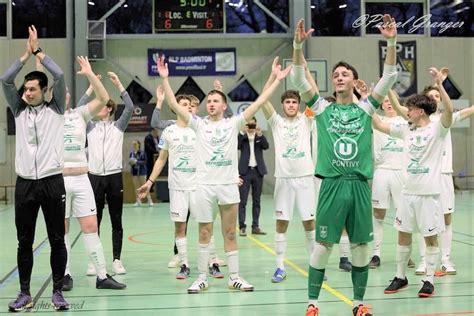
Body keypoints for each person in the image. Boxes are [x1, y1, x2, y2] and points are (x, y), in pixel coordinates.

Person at [156, 54, 291, 294]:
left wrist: (275, 79)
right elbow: (175, 105)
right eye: (209, 101)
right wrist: (165, 79)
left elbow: (260, 102)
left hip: (227, 185)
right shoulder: (199, 124)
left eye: (216, 101)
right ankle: (201, 277)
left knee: (229, 231)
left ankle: (235, 277)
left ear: (224, 105)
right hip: (204, 186)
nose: (211, 104)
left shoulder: (233, 123)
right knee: (205, 232)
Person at [291, 15, 398, 316]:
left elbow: (389, 77)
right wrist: (297, 47)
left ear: (354, 80)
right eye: (335, 74)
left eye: (344, 74)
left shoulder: (366, 108)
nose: (338, 77)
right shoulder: (322, 109)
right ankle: (313, 304)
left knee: (362, 249)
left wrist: (391, 42)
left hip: (360, 185)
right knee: (323, 247)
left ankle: (357, 304)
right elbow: (299, 80)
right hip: (332, 185)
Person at [1, 25, 70, 311]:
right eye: (25, 89)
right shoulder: (18, 110)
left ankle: (57, 291)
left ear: (44, 91)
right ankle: (25, 293)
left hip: (53, 182)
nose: (27, 92)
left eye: (32, 89)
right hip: (26, 184)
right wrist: (25, 56)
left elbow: (60, 75)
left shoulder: (56, 109)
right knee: (24, 242)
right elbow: (5, 81)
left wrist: (40, 51)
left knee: (57, 239)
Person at [373, 67, 453, 298]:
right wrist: (366, 101)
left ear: (420, 111)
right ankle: (401, 276)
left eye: (409, 109)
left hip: (429, 194)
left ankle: (428, 279)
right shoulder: (405, 129)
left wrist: (439, 84)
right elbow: (378, 125)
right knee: (403, 233)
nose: (406, 112)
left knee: (429, 237)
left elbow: (447, 109)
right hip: (407, 194)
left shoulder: (438, 129)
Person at [61, 57, 126, 291]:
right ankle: (65, 274)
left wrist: (90, 75)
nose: (64, 94)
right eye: (60, 92)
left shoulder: (82, 116)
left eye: (66, 91)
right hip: (66, 179)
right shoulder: (51, 116)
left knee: (94, 225)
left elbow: (100, 100)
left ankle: (104, 272)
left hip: (88, 178)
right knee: (64, 228)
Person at [151, 84, 227, 270]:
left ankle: (212, 258)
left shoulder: (200, 126)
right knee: (180, 225)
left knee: (206, 224)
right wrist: (150, 181)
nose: (189, 107)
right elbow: (160, 156)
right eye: (184, 104)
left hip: (199, 186)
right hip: (177, 185)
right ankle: (181, 258)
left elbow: (222, 126)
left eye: (191, 105)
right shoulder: (170, 129)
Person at [260, 57, 317, 284]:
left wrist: (306, 71)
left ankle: (314, 265)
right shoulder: (275, 122)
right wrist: (274, 76)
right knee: (281, 223)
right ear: (283, 105)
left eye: (294, 102)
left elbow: (315, 95)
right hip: (284, 179)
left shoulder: (307, 120)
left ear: (299, 105)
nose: (291, 105)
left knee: (309, 223)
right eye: (288, 102)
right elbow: (264, 100)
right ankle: (280, 267)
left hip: (305, 178)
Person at [81, 71, 133, 275]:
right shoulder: (90, 127)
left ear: (109, 109)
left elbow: (129, 107)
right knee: (95, 221)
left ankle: (117, 260)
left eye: (102, 104)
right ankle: (94, 261)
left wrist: (119, 83)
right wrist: (92, 86)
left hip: (113, 177)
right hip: (93, 177)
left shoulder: (118, 127)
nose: (97, 107)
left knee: (116, 220)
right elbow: (80, 106)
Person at [368, 95, 407, 269]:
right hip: (381, 170)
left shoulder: (406, 120)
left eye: (391, 100)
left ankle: (404, 253)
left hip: (401, 171)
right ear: (381, 105)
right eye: (385, 101)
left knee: (403, 214)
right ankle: (376, 254)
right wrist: (361, 94)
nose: (389, 103)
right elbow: (365, 108)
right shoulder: (376, 120)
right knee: (378, 214)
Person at [238, 116, 269, 236]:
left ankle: (255, 226)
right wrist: (242, 132)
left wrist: (260, 134)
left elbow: (266, 146)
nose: (251, 127)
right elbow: (237, 146)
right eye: (248, 125)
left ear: (256, 125)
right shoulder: (243, 137)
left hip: (258, 171)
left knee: (257, 200)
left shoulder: (259, 137)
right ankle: (242, 226)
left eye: (252, 125)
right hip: (245, 172)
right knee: (242, 201)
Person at [129, 139, 153, 206]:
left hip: (142, 171)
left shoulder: (142, 152)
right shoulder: (132, 153)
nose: (134, 145)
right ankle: (138, 201)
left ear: (138, 144)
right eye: (133, 144)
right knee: (136, 187)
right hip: (134, 172)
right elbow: (130, 161)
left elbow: (145, 162)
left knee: (144, 186)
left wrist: (137, 162)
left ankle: (149, 199)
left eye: (135, 144)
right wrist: (131, 162)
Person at [144, 127, 161, 192]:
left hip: (157, 158)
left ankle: (155, 187)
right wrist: (157, 152)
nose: (157, 133)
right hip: (150, 158)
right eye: (156, 131)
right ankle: (149, 187)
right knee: (150, 172)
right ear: (152, 131)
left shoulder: (158, 138)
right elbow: (149, 148)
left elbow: (159, 146)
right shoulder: (148, 138)